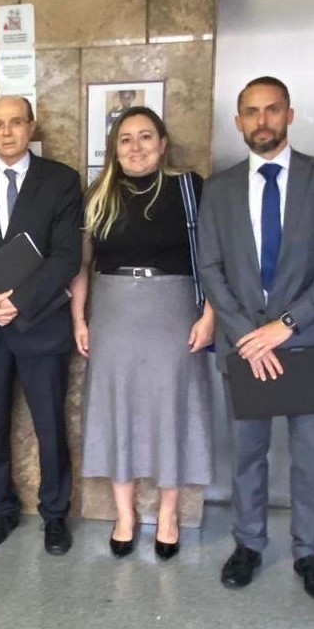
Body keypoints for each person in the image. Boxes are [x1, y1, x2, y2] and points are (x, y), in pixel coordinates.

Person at [197, 76, 314, 602]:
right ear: (238, 121)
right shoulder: (219, 188)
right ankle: (248, 544)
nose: (261, 120)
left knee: (311, 458)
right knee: (247, 454)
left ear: (289, 114)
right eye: (250, 111)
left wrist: (284, 326)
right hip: (244, 345)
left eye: (271, 109)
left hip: (306, 342)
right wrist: (247, 333)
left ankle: (310, 554)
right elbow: (210, 268)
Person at [71, 106, 216, 561]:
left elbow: (215, 259)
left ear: (163, 142)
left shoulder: (189, 188)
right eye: (126, 138)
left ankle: (168, 515)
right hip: (114, 313)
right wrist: (79, 319)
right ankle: (125, 515)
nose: (136, 147)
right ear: (114, 148)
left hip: (174, 312)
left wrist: (210, 315)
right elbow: (82, 265)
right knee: (118, 410)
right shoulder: (98, 194)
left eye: (146, 136)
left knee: (171, 409)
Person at [0, 96, 82, 556]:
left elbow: (66, 256)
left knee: (50, 425)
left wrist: (17, 301)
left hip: (41, 324)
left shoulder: (61, 180)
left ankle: (55, 515)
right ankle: (1, 510)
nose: (7, 131)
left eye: (16, 122)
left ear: (32, 127)